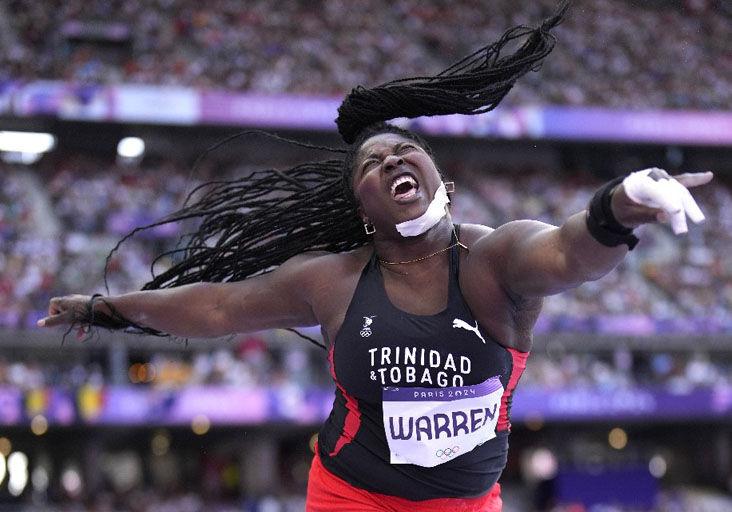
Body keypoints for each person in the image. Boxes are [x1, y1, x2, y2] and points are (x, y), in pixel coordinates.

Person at [36, 5, 713, 511]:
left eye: (403, 150)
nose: (390, 158)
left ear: (441, 181)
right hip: (347, 496)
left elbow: (568, 253)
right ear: (363, 207)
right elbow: (217, 305)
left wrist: (617, 208)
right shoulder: (331, 281)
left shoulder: (492, 258)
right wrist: (106, 308)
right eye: (371, 162)